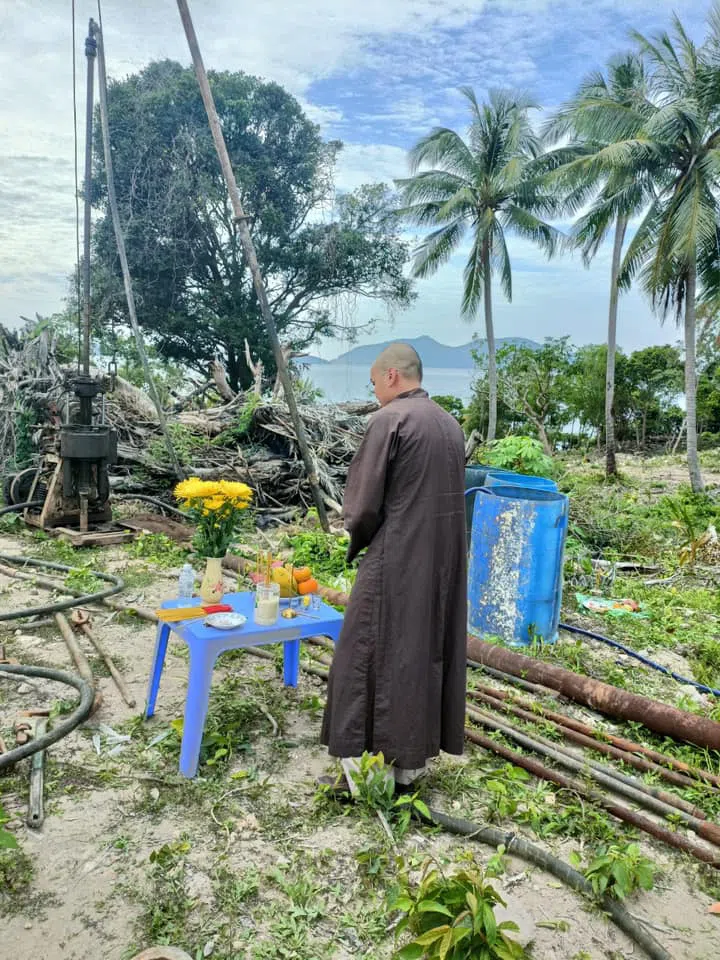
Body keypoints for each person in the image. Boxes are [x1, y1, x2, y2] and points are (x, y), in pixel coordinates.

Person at [319, 342, 467, 796]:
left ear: (391, 377)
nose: (376, 393)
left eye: (373, 383)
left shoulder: (391, 420)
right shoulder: (449, 424)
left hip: (397, 557)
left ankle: (368, 777)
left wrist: (358, 542)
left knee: (364, 656)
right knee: (421, 654)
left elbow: (362, 506)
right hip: (442, 562)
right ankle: (410, 770)